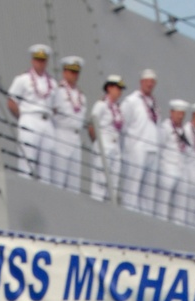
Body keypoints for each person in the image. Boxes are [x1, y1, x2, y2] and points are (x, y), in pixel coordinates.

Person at [8, 45, 56, 180]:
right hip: (30, 119)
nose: (40, 63)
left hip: (46, 122)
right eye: (37, 60)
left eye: (43, 60)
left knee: (46, 167)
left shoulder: (52, 83)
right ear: (32, 60)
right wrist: (22, 117)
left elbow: (55, 106)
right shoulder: (23, 79)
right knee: (27, 162)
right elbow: (11, 101)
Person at [121, 68, 160, 214]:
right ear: (141, 82)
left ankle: (146, 215)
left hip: (152, 148)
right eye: (147, 81)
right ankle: (129, 212)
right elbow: (123, 125)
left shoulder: (154, 103)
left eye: (152, 82)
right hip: (137, 147)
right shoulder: (132, 101)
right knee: (133, 186)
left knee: (148, 190)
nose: (150, 84)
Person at [49, 56, 86, 192]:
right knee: (59, 179)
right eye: (71, 71)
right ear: (64, 72)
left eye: (76, 72)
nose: (74, 75)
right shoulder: (58, 91)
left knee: (74, 183)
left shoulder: (81, 95)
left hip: (75, 137)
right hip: (61, 134)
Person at [89, 73, 123, 203]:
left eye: (120, 89)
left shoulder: (117, 108)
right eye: (117, 88)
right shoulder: (101, 104)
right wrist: (98, 144)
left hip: (115, 145)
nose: (119, 91)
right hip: (104, 143)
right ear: (109, 88)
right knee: (100, 182)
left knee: (112, 185)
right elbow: (92, 125)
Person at [158, 98, 189, 223]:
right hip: (167, 168)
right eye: (178, 113)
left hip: (180, 169)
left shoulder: (183, 131)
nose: (180, 116)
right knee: (163, 204)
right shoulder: (165, 127)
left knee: (180, 206)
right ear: (171, 113)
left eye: (182, 114)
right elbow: (160, 147)